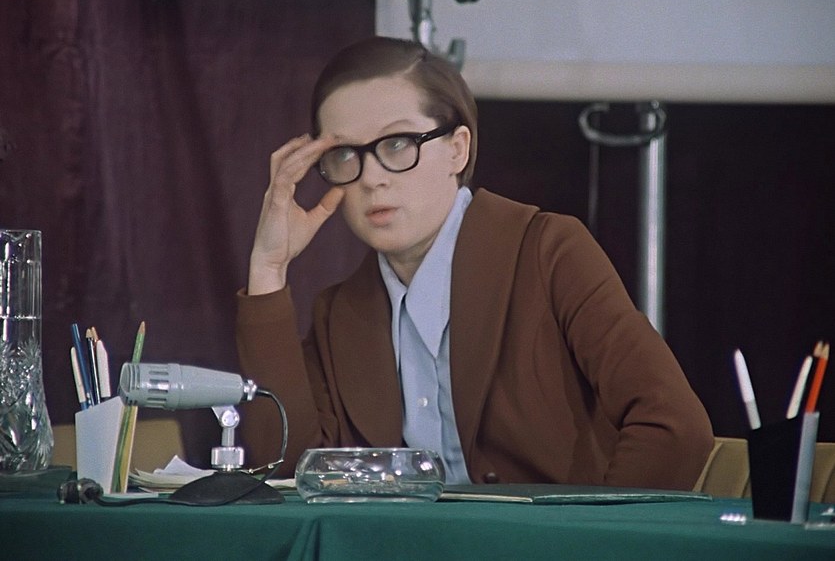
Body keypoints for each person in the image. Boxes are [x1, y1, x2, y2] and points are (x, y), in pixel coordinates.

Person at [236, 36, 713, 490]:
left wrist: (587, 537)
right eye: (344, 154)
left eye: (397, 143)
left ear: (457, 149)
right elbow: (289, 472)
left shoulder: (548, 251)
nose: (372, 178)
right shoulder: (339, 312)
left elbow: (673, 425)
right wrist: (268, 269)